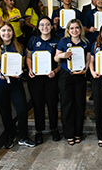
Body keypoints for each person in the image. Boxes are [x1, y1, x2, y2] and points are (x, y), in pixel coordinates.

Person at [0, 22, 36, 148]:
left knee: (22, 111)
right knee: (5, 112)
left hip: (15, 85)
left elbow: (21, 65)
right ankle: (10, 135)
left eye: (9, 30)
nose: (6, 33)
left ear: (13, 32)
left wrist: (19, 72)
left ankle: (23, 137)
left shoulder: (19, 47)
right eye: (4, 30)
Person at [54, 19, 90, 145]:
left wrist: (85, 69)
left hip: (80, 76)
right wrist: (63, 55)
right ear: (68, 30)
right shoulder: (63, 41)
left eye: (77, 28)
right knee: (67, 104)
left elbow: (88, 59)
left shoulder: (85, 43)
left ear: (80, 29)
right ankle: (69, 134)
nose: (75, 30)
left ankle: (78, 133)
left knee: (79, 104)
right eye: (72, 28)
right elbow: (56, 57)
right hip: (66, 76)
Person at [26, 16, 61, 145]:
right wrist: (29, 69)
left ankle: (54, 128)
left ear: (52, 26)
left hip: (51, 78)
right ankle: (39, 131)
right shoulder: (33, 40)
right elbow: (28, 56)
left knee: (52, 104)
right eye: (42, 25)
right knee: (38, 105)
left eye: (47, 24)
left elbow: (61, 62)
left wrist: (55, 71)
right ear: (38, 27)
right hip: (36, 79)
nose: (45, 27)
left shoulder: (57, 41)